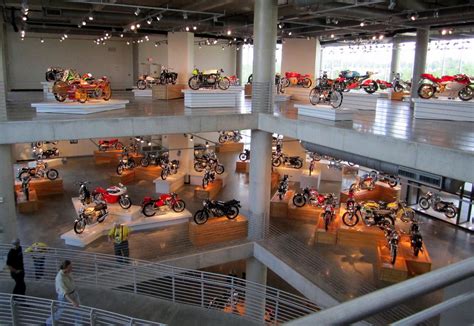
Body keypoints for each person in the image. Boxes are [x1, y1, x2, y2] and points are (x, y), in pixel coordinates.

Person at [46, 260, 81, 326]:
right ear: (66, 268)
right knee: (61, 312)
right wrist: (73, 302)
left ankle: (78, 324)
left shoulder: (68, 272)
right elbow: (64, 293)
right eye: (70, 267)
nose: (72, 268)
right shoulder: (59, 278)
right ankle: (49, 322)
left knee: (78, 310)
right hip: (64, 297)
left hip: (73, 293)